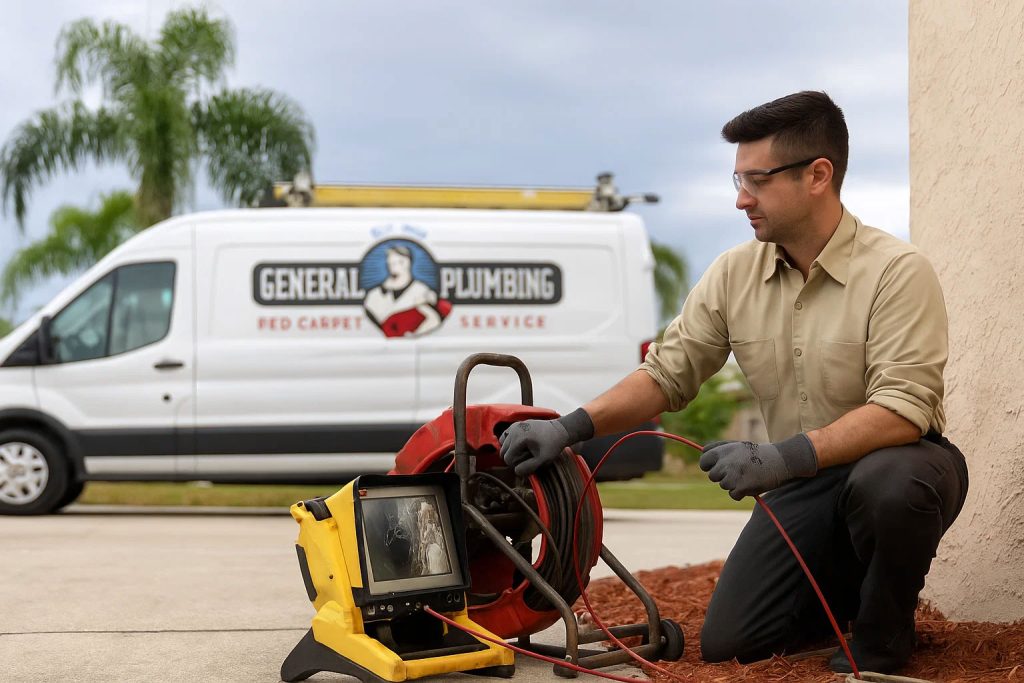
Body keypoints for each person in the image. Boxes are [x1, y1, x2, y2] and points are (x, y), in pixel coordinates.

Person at [499, 91, 969, 675]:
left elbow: (902, 411)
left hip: (898, 464)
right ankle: (845, 604)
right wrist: (567, 429)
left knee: (891, 484)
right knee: (734, 642)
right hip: (804, 485)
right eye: (736, 179)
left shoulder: (897, 272)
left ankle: (883, 639)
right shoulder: (734, 273)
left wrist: (780, 457)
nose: (741, 198)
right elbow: (665, 375)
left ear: (818, 175)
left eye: (757, 180)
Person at [363, 245, 449, 337]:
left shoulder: (421, 291)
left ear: (406, 263)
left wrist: (415, 334)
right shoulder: (374, 295)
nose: (391, 266)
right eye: (390, 263)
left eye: (395, 262)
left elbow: (434, 320)